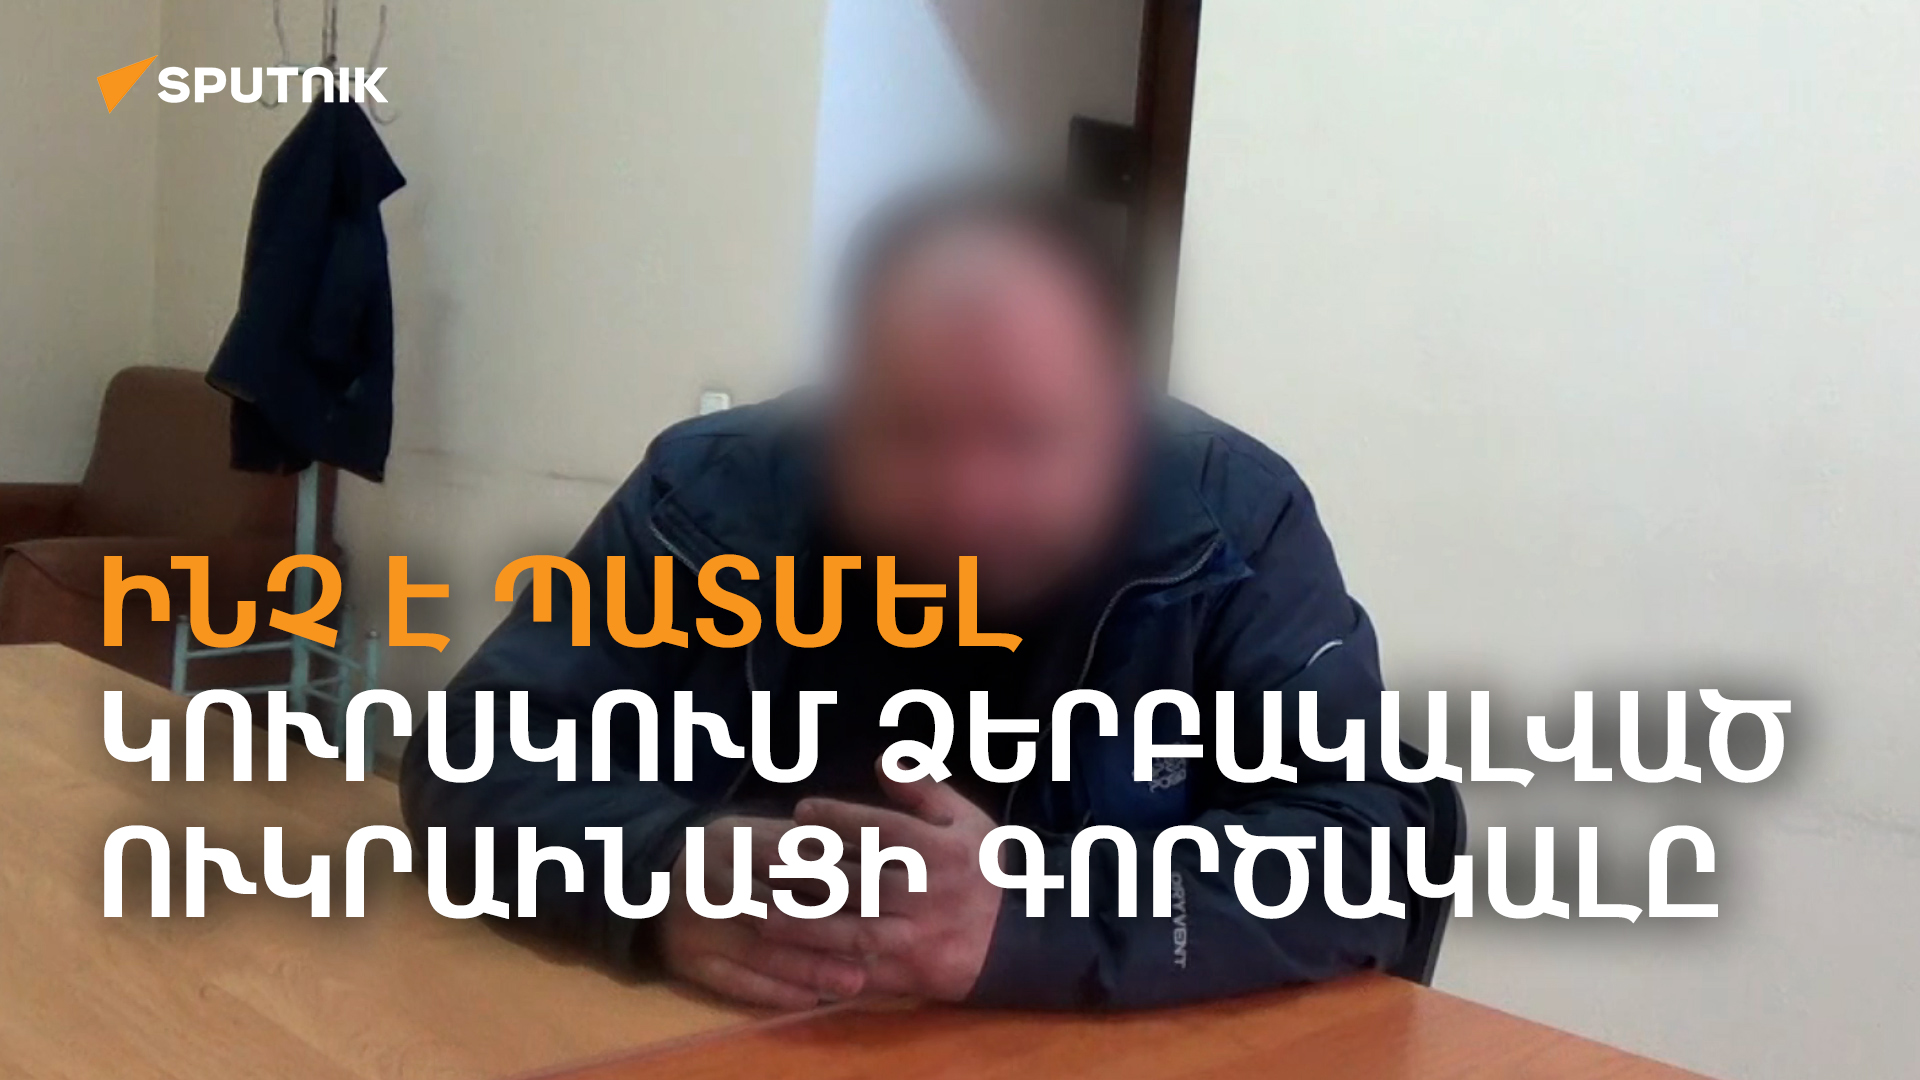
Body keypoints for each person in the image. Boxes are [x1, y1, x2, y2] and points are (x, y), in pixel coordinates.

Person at [400, 184, 1432, 1011]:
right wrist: (654, 869)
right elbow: (475, 751)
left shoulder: (1237, 525)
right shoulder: (707, 499)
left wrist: (1037, 919)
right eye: (910, 430)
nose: (967, 498)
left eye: (1027, 436)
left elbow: (1368, 845)